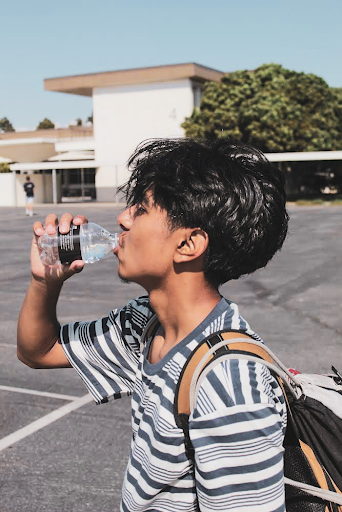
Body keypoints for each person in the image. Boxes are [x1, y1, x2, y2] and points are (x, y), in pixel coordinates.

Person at [17, 138, 289, 512]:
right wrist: (44, 283)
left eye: (141, 209)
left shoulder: (228, 384)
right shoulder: (143, 325)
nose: (123, 219)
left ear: (189, 243)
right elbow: (39, 351)